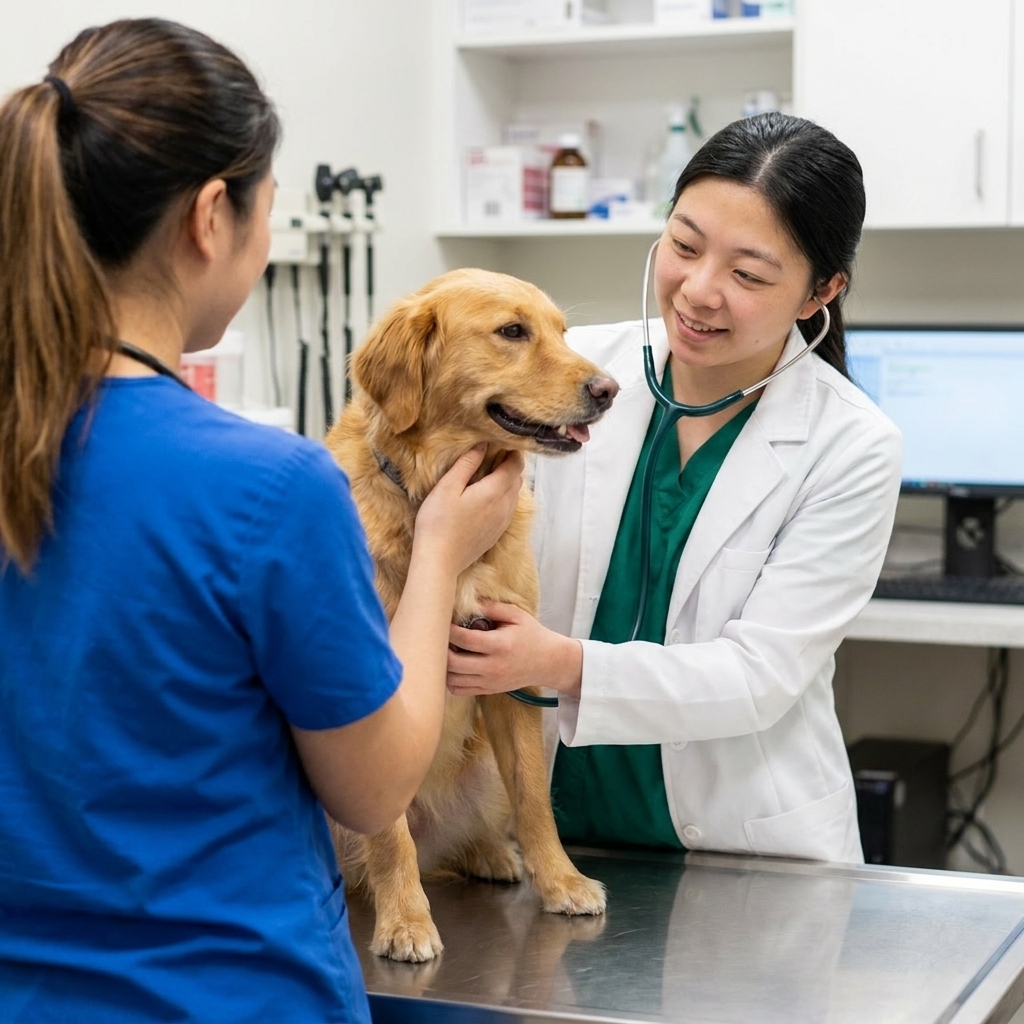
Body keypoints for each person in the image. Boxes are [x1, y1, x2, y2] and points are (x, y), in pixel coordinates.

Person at [0, 18, 522, 1023]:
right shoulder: (270, 488)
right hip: (220, 994)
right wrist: (439, 557)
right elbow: (373, 791)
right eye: (267, 209)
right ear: (210, 217)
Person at [447, 113, 902, 864]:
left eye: (748, 274)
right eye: (684, 245)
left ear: (821, 291)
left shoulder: (851, 444)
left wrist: (556, 664)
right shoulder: (567, 374)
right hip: (538, 831)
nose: (697, 290)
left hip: (745, 850)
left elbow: (759, 676)